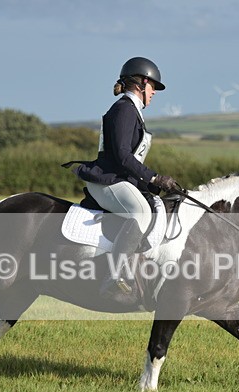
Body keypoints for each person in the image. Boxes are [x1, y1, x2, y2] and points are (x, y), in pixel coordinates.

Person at [71, 57, 179, 301]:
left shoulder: (132, 111)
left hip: (118, 179)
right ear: (141, 83)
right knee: (141, 212)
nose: (153, 93)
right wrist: (154, 176)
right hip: (107, 180)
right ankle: (115, 275)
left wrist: (151, 184)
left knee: (149, 204)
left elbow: (129, 161)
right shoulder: (124, 109)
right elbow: (122, 155)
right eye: (153, 87)